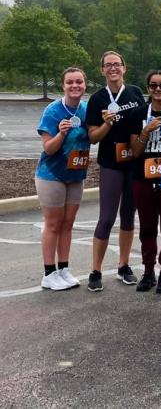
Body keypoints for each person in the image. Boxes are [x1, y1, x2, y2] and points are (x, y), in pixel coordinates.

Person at [85, 51, 145, 292]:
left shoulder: (135, 93)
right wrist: (107, 124)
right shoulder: (97, 99)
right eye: (108, 65)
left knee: (129, 216)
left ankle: (124, 265)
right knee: (107, 217)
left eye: (117, 64)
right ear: (102, 70)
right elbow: (92, 138)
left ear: (124, 68)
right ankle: (96, 270)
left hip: (134, 162)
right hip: (111, 163)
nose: (113, 68)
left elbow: (144, 124)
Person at [35, 67, 91, 290]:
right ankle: (48, 273)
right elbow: (48, 149)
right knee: (53, 224)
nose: (75, 86)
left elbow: (94, 136)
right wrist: (61, 133)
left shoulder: (87, 110)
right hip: (52, 174)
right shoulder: (53, 111)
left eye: (79, 82)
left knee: (68, 224)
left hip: (76, 173)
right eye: (70, 82)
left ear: (85, 84)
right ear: (63, 85)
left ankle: (64, 269)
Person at [128, 70, 161, 294]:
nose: (158, 90)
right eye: (153, 86)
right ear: (148, 88)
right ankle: (148, 271)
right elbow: (135, 152)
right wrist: (146, 131)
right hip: (143, 179)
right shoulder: (138, 114)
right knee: (147, 228)